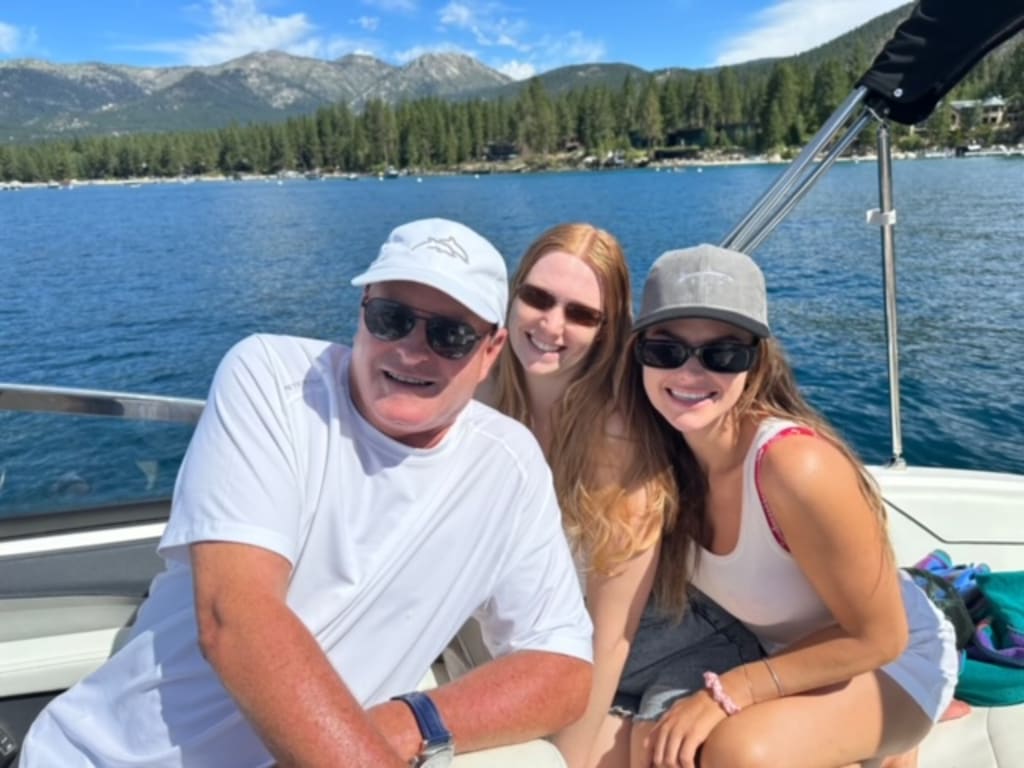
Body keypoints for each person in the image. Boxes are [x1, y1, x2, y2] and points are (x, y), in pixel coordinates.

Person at [19, 218, 594, 768]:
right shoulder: (273, 379)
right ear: (362, 312)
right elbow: (236, 616)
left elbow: (565, 666)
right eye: (392, 318)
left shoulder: (508, 466)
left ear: (489, 351)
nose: (412, 350)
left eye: (450, 335)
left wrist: (405, 722)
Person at [624, 243, 959, 768]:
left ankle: (892, 741)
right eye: (666, 351)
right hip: (783, 657)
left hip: (888, 661)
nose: (689, 373)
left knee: (735, 753)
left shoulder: (792, 466)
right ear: (638, 353)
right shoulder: (663, 457)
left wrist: (731, 691)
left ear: (756, 362)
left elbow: (882, 637)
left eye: (722, 354)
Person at [472, 223, 760, 768]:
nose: (551, 325)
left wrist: (565, 763)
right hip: (555, 651)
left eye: (581, 314)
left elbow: (611, 634)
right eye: (537, 298)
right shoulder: (479, 396)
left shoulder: (616, 442)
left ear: (608, 333)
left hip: (668, 650)